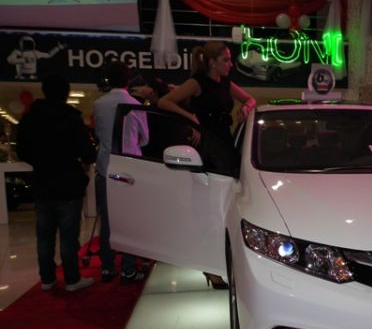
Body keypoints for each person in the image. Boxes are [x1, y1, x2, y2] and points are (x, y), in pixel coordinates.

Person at [158, 41, 256, 289]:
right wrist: (191, 119)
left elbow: (250, 99)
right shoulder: (197, 82)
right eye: (226, 60)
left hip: (225, 144)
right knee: (208, 209)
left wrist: (245, 108)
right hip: (206, 147)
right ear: (212, 62)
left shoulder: (225, 82)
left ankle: (220, 262)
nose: (230, 64)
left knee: (224, 207)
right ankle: (210, 266)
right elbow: (164, 102)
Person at [16, 73, 96, 292]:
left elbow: (22, 150)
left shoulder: (31, 117)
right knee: (69, 236)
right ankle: (72, 279)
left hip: (43, 182)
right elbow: (87, 152)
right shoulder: (71, 117)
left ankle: (47, 278)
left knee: (44, 235)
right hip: (68, 182)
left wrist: (40, 161)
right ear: (66, 93)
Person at [93, 60, 147, 284]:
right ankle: (128, 268)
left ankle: (107, 267)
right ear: (128, 80)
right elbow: (145, 139)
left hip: (105, 167)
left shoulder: (99, 104)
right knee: (129, 219)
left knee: (107, 220)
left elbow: (98, 134)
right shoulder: (135, 104)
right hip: (129, 169)